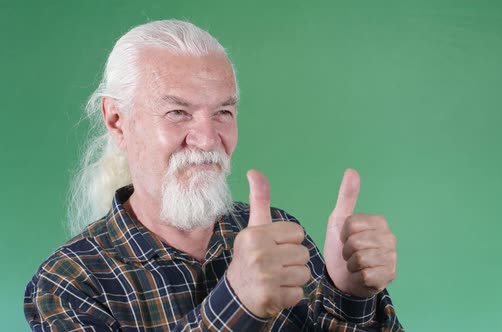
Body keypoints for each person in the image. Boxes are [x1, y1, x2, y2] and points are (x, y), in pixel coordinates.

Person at [24, 20, 404, 331]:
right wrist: (237, 303)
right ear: (117, 120)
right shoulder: (68, 283)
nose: (208, 139)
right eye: (177, 113)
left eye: (223, 112)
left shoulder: (277, 234)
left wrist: (351, 297)